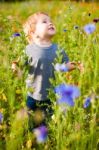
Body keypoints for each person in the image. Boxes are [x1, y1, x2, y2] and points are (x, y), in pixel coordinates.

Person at [12, 12, 83, 131]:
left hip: (51, 95)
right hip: (32, 94)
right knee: (30, 122)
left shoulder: (58, 49)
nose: (50, 23)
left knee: (48, 122)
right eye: (44, 21)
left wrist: (75, 65)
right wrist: (15, 67)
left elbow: (64, 66)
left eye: (50, 21)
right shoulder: (29, 50)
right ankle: (31, 136)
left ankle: (46, 138)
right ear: (33, 33)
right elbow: (19, 64)